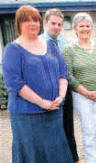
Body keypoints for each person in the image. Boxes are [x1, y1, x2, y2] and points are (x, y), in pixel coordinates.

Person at [2, 5, 73, 163]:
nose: (32, 23)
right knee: (33, 155)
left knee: (56, 153)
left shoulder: (51, 47)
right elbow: (15, 84)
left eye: (35, 20)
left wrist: (61, 96)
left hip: (54, 112)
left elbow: (63, 74)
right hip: (27, 116)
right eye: (27, 20)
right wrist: (42, 102)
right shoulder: (12, 49)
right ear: (18, 24)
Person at [63, 12, 96, 163]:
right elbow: (68, 74)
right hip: (82, 96)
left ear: (92, 28)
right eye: (81, 26)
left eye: (88, 26)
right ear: (75, 28)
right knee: (89, 131)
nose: (85, 29)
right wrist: (86, 92)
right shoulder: (69, 49)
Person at [41, 8, 80, 163]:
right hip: (47, 92)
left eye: (59, 24)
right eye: (53, 23)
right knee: (50, 129)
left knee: (68, 127)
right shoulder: (39, 43)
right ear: (45, 23)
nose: (56, 27)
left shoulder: (65, 43)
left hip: (66, 91)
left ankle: (74, 158)